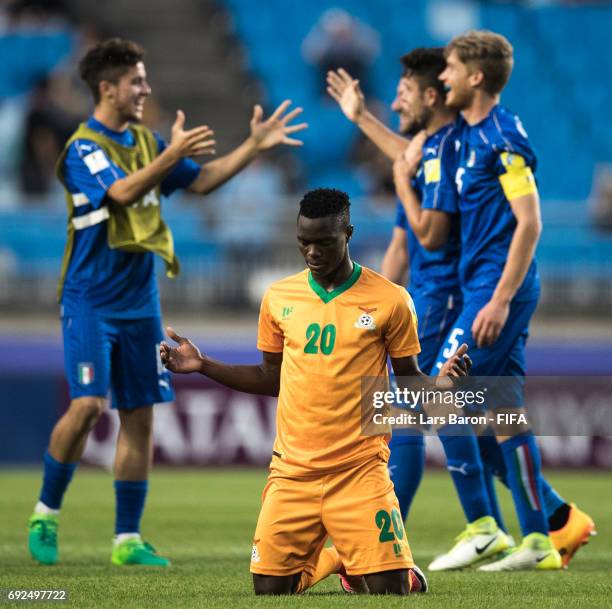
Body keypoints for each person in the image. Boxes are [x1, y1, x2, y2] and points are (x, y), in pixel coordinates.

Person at [27, 37, 307, 567]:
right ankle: (45, 510)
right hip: (90, 301)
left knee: (139, 418)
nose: (146, 88)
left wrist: (252, 146)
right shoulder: (83, 148)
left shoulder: (147, 140)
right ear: (107, 88)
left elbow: (200, 182)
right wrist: (171, 154)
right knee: (87, 406)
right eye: (136, 80)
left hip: (140, 302)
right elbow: (122, 194)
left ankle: (126, 540)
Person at [160, 188, 471, 595]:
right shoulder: (278, 298)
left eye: (324, 243)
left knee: (391, 590)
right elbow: (270, 377)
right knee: (270, 590)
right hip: (293, 471)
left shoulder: (391, 300)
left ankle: (375, 562)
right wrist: (204, 365)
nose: (312, 252)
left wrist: (442, 385)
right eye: (304, 243)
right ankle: (339, 558)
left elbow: (409, 380)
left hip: (359, 469)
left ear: (348, 234)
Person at [327, 51, 510, 548]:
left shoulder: (445, 152)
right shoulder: (431, 150)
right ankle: (543, 515)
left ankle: (464, 528)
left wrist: (400, 177)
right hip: (423, 297)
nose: (395, 102)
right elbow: (401, 241)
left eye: (403, 93)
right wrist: (371, 303)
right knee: (437, 410)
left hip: (443, 296)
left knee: (411, 404)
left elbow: (425, 232)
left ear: (432, 96)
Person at [430, 30, 595, 571]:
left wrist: (497, 300)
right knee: (502, 413)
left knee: (439, 391)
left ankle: (484, 528)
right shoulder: (467, 135)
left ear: (476, 76)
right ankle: (542, 539)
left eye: (450, 68)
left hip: (497, 289)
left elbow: (531, 221)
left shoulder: (502, 137)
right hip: (484, 285)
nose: (443, 77)